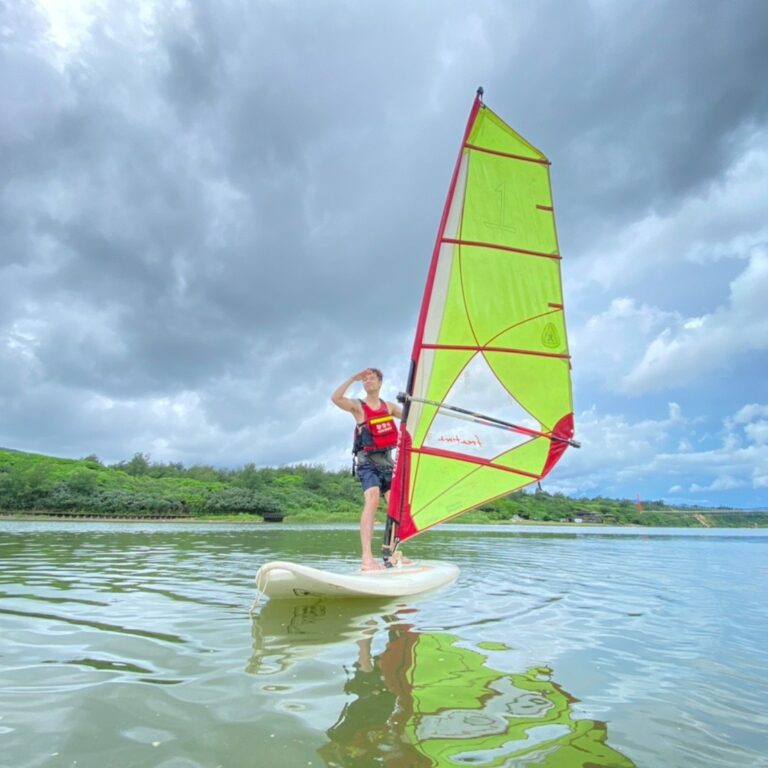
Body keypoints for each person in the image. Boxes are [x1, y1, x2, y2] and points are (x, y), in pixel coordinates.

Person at [331, 368, 403, 571]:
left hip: (388, 464)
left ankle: (393, 553)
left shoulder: (389, 407)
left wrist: (412, 401)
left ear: (380, 383)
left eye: (371, 378)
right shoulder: (358, 406)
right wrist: (352, 378)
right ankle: (367, 558)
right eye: (364, 379)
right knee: (372, 498)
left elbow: (411, 417)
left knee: (395, 508)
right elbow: (336, 398)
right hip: (367, 462)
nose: (367, 381)